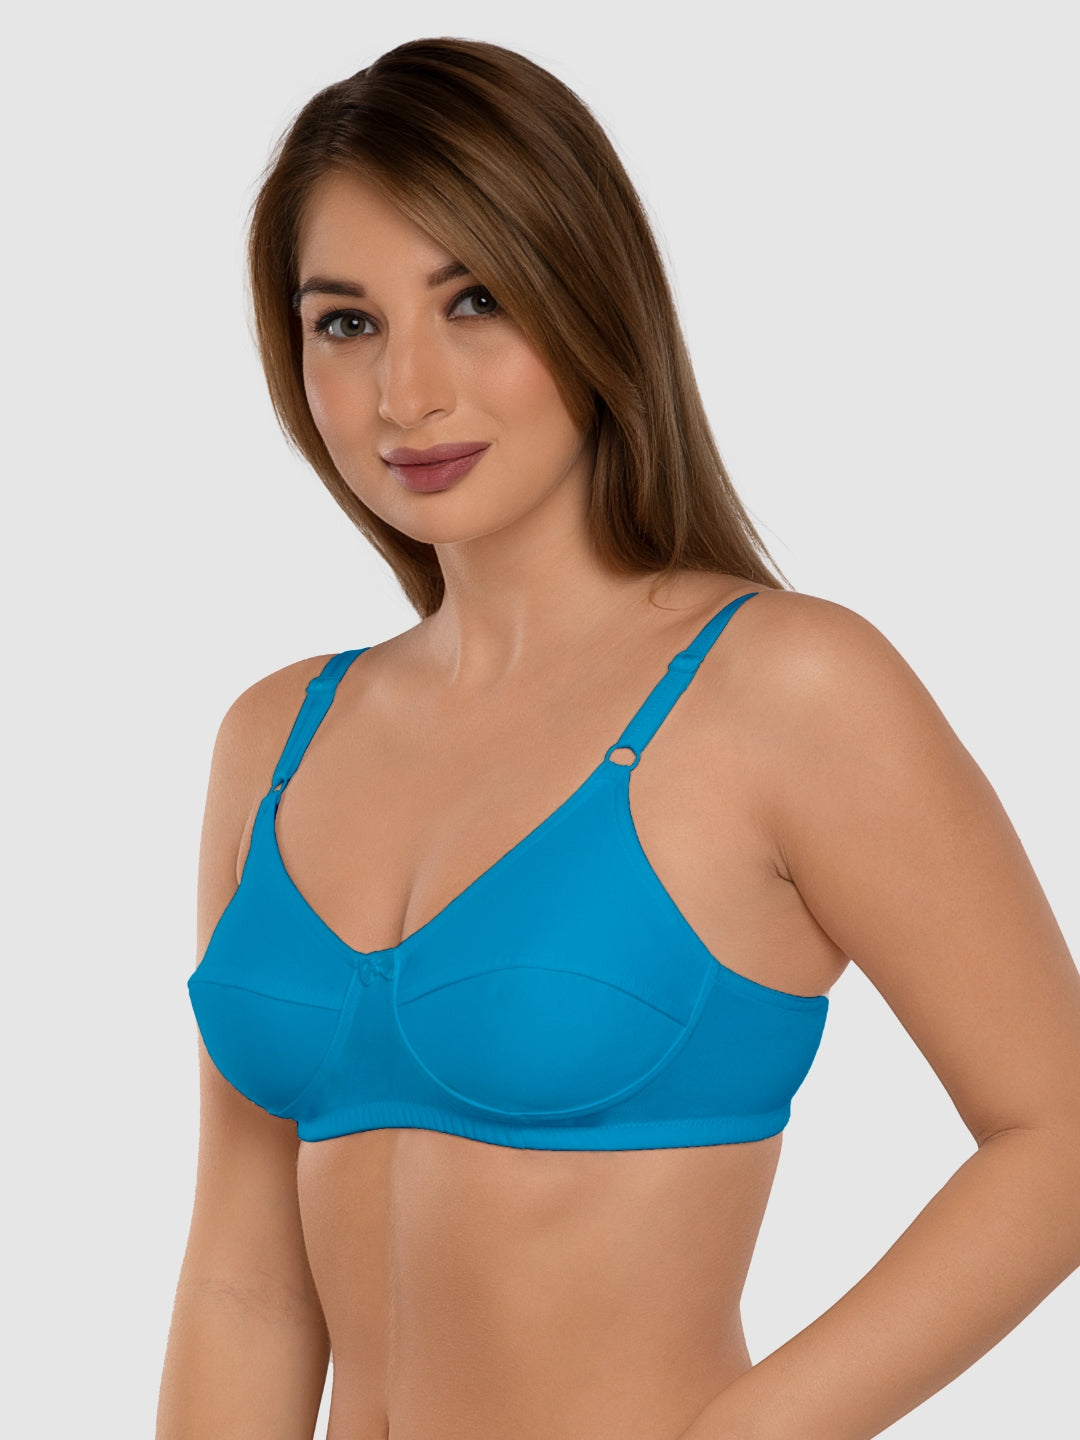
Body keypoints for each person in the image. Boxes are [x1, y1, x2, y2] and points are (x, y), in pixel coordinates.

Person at [156, 36, 1080, 1440]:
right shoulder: (275, 736)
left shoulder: (785, 688)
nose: (408, 392)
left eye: (475, 300)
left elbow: (1057, 1136)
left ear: (590, 297)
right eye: (346, 322)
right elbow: (245, 1284)